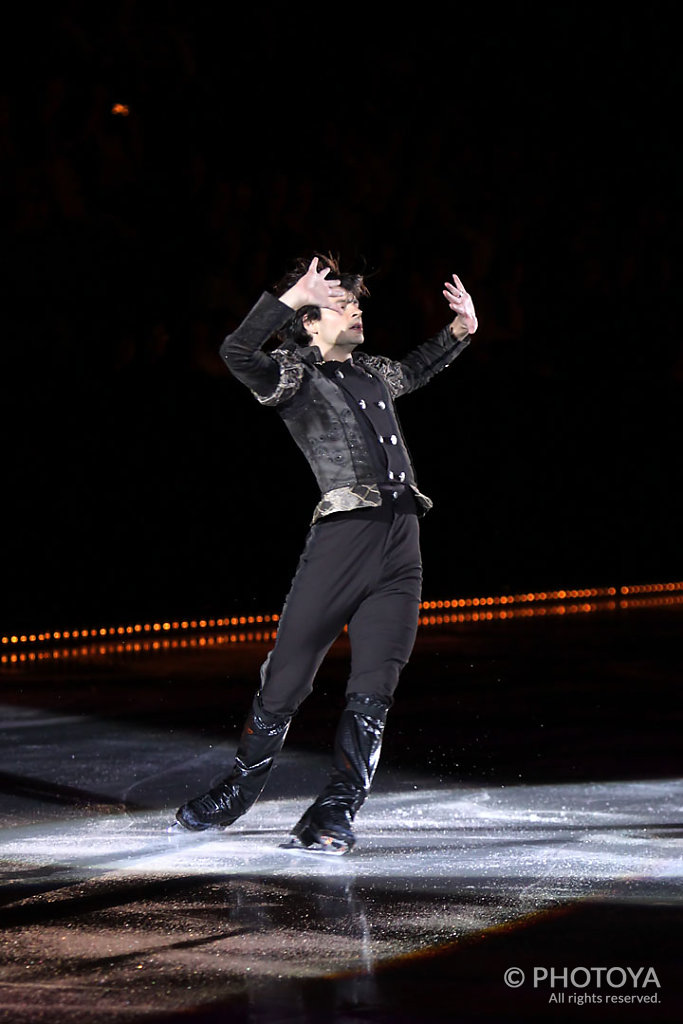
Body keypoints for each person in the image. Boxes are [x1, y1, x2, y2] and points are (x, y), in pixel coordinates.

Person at [174, 255, 478, 853]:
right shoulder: (294, 378)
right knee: (288, 672)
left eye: (356, 301)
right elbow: (237, 354)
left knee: (376, 681)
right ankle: (239, 788)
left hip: (402, 540)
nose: (356, 307)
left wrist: (459, 332)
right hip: (344, 538)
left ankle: (335, 809)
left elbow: (415, 370)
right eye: (341, 302)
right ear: (310, 322)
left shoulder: (372, 372)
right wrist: (288, 297)